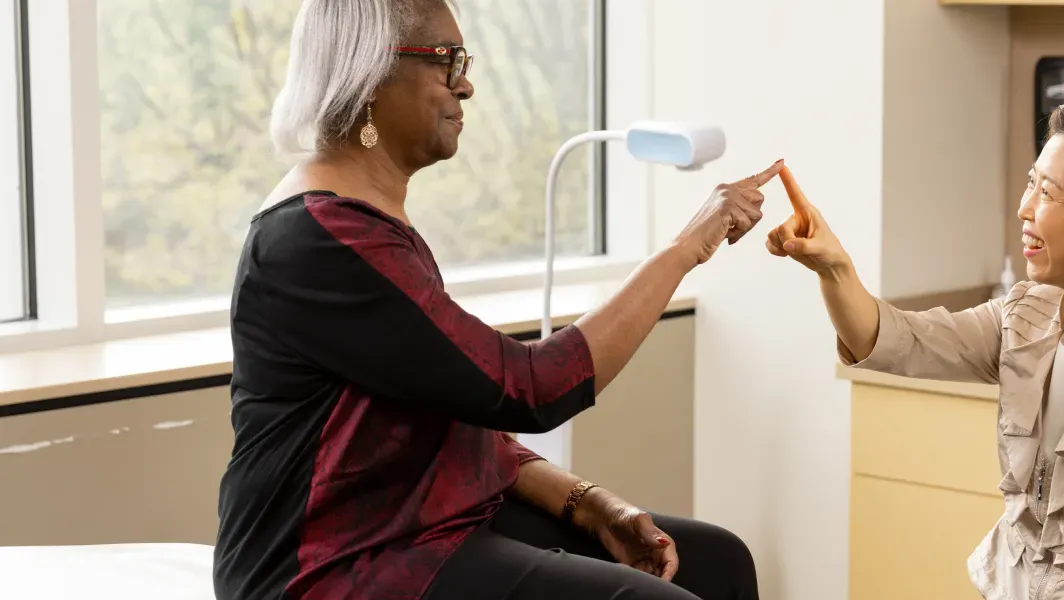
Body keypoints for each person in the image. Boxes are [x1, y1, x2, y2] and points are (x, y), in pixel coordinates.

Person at [213, 1, 770, 599]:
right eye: (447, 61)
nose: (466, 85)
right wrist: (686, 248)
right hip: (332, 564)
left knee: (717, 562)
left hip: (421, 519)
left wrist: (588, 502)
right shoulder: (318, 239)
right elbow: (532, 388)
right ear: (371, 74)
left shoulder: (363, 225)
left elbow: (455, 409)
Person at [767, 101, 1064, 599]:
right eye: (1032, 183)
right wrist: (835, 268)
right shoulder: (1027, 315)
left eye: (1049, 193)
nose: (1025, 208)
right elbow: (896, 342)